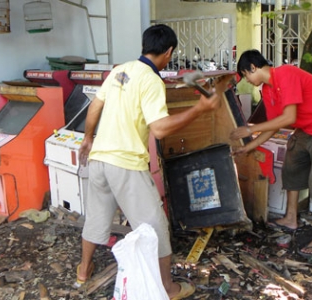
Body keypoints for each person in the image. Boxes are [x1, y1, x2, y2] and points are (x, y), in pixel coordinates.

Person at [77, 24, 234, 299]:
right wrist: (200, 108)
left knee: (97, 218)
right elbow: (159, 129)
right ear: (169, 52)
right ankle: (168, 288)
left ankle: (83, 271)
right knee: (157, 228)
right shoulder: (151, 80)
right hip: (125, 164)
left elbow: (95, 106)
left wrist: (88, 138)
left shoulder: (119, 70)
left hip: (99, 158)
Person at [230, 49, 312, 258]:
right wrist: (249, 146)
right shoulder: (268, 90)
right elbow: (274, 126)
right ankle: (291, 217)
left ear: (253, 67)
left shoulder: (285, 74)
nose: (247, 80)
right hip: (306, 128)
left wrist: (250, 129)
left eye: (246, 75)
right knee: (291, 164)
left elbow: (289, 117)